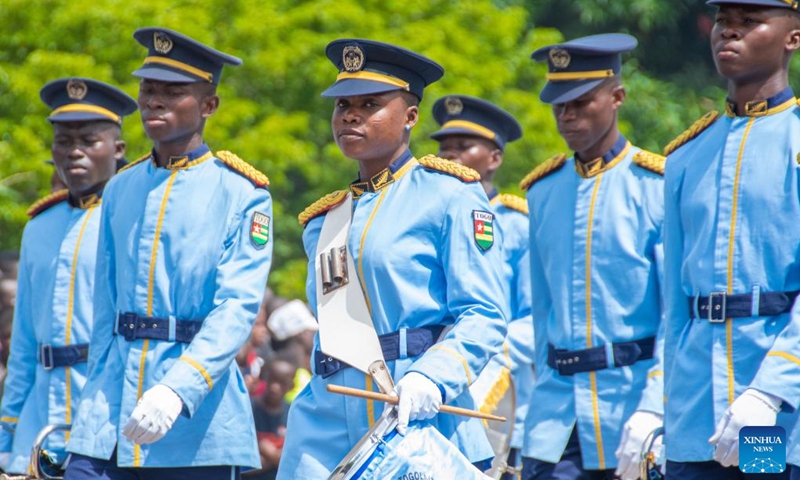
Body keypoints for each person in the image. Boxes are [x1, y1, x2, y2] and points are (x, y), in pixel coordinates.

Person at [277, 38, 509, 479]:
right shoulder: (322, 221)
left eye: (370, 104)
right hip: (326, 425)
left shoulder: (449, 195)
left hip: (419, 415)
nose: (350, 114)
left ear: (410, 116)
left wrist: (434, 377)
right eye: (343, 103)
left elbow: (484, 314)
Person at [64, 27, 273, 480]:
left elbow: (236, 308)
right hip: (108, 412)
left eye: (173, 92)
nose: (154, 101)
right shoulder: (120, 187)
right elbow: (105, 309)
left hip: (194, 422)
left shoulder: (241, 192)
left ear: (209, 105)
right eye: (148, 89)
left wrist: (178, 389)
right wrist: (90, 408)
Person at [662, 2, 800, 479]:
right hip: (693, 410)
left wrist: (772, 390)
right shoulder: (686, 155)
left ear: (792, 39)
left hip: (772, 410)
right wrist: (660, 407)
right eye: (724, 21)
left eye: (750, 23)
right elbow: (674, 303)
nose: (730, 33)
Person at [520, 34, 666, 480]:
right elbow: (542, 311)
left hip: (631, 404)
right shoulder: (543, 191)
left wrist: (656, 405)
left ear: (617, 96)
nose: (567, 115)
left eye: (581, 102)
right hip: (556, 414)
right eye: (559, 105)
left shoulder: (655, 185)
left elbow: (672, 316)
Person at [0, 77, 136, 474]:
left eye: (89, 140)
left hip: (108, 412)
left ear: (118, 148)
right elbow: (25, 339)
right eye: (63, 141)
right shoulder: (39, 226)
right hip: (39, 416)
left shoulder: (132, 216)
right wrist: (7, 428)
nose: (74, 152)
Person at [431, 94, 532, 478]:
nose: (450, 155)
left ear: (494, 158)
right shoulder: (425, 216)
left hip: (494, 378)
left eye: (463, 146)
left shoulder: (517, 223)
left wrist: (479, 344)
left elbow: (535, 317)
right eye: (443, 147)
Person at [249, 357, 295, 480]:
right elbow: (242, 466)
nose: (275, 387)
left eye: (281, 383)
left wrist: (270, 454)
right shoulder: (249, 409)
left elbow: (295, 456)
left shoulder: (293, 414)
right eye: (272, 380)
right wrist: (278, 458)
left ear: (291, 386)